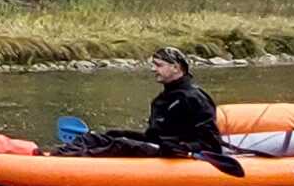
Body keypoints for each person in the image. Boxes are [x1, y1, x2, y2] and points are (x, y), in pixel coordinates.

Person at [56, 46, 220, 157]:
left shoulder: (195, 98)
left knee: (122, 144)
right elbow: (153, 136)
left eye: (158, 65)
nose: (153, 69)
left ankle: (73, 160)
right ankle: (60, 154)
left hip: (174, 151)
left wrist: (185, 148)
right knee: (110, 135)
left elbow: (211, 144)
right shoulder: (162, 99)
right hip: (159, 144)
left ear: (176, 68)